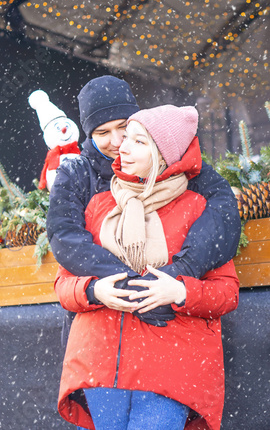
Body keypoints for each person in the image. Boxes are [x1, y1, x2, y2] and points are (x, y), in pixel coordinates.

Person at [54, 104, 240, 430]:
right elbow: (63, 284)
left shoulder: (198, 209)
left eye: (137, 140)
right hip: (101, 361)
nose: (121, 146)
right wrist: (95, 290)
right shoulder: (99, 205)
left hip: (172, 364)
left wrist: (180, 291)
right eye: (125, 138)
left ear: (163, 154)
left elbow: (227, 292)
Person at [46, 75, 241, 331]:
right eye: (103, 132)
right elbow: (65, 237)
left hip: (175, 335)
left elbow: (223, 211)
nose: (117, 142)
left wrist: (182, 270)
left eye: (124, 127)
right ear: (89, 133)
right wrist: (132, 286)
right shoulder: (76, 173)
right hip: (100, 337)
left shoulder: (174, 160)